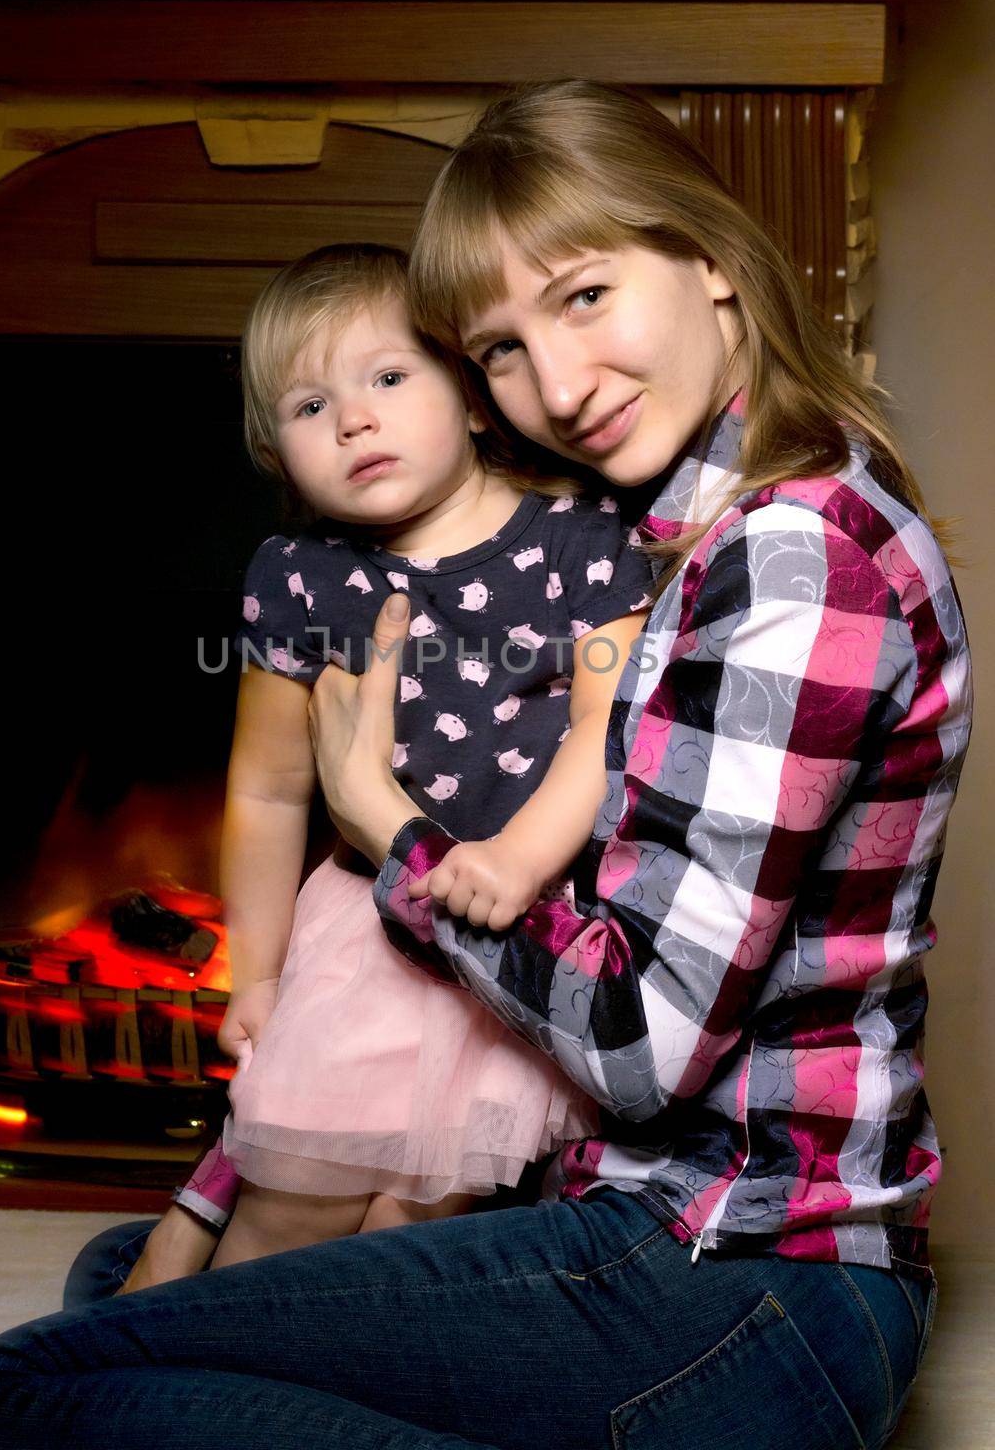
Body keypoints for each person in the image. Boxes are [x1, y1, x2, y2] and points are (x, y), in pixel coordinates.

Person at [0, 81, 972, 1450]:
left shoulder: (786, 558)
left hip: (732, 1280)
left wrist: (385, 828)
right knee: (123, 1286)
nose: (553, 385)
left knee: (12, 1396)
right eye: (496, 348)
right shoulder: (695, 523)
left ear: (708, 255)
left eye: (584, 296)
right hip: (661, 1228)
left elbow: (642, 1046)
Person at [174, 242, 651, 1267]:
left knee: (420, 1217)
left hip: (516, 929)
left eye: (388, 378)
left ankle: (329, 1384)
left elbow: (601, 731)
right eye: (308, 407)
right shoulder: (300, 579)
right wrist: (251, 975)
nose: (352, 418)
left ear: (476, 400)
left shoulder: (581, 544)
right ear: (276, 451)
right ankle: (208, 1364)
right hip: (364, 934)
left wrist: (516, 864)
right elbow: (265, 791)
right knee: (291, 1200)